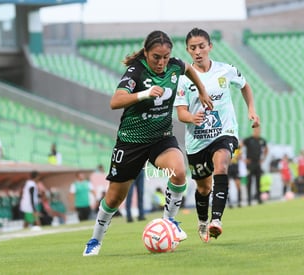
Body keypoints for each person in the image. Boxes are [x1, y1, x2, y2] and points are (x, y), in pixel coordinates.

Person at [82, 30, 213, 256]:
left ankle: (169, 222)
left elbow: (189, 69)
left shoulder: (175, 65)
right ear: (146, 53)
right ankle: (95, 240)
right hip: (131, 142)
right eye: (156, 57)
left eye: (165, 57)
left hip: (160, 138)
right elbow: (116, 101)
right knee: (114, 198)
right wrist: (145, 94)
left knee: (179, 171)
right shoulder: (136, 72)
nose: (162, 62)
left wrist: (202, 91)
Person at [175, 28, 259, 242]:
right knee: (204, 188)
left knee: (222, 164)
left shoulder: (226, 70)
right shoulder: (183, 80)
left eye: (202, 46)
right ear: (187, 50)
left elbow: (245, 86)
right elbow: (181, 112)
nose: (198, 51)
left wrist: (251, 109)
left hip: (224, 132)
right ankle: (203, 220)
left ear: (210, 47)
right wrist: (190, 118)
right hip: (197, 142)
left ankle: (217, 220)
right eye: (193, 48)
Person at [243, 126, 268, 206]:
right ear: (253, 130)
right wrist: (243, 159)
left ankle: (259, 199)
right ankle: (249, 200)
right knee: (249, 182)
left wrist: (263, 158)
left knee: (258, 182)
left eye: (259, 130)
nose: (257, 131)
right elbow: (239, 146)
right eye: (256, 130)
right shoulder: (248, 140)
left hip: (257, 163)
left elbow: (266, 149)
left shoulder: (262, 140)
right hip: (250, 163)